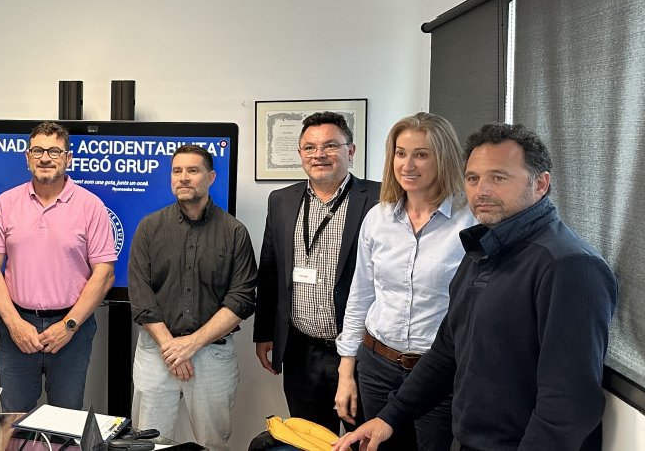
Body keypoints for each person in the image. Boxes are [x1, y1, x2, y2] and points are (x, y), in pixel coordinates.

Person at [334, 123, 618, 451]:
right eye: (473, 179)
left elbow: (568, 405)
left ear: (541, 184)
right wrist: (389, 417)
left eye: (498, 177)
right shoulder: (483, 248)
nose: (481, 191)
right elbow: (446, 352)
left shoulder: (568, 265)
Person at [333, 113, 474, 450]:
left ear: (444, 158)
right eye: (400, 153)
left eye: (421, 154)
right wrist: (346, 370)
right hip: (377, 364)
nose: (407, 165)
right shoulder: (378, 218)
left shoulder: (470, 222)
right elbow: (361, 295)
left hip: (439, 373)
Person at [254, 111, 380, 434]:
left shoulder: (379, 199)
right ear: (300, 154)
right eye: (309, 148)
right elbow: (270, 269)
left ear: (350, 151)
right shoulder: (281, 200)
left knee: (361, 438)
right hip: (301, 350)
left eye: (330, 146)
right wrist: (264, 333)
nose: (318, 155)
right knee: (310, 440)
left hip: (360, 353)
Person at [0, 121, 116, 412]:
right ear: (27, 157)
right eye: (37, 150)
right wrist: (14, 324)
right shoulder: (6, 203)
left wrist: (68, 326)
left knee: (65, 421)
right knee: (14, 419)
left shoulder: (91, 206)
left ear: (68, 158)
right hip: (17, 327)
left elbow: (104, 274)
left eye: (54, 151)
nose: (45, 158)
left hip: (72, 329)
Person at [129, 145, 257, 451]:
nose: (184, 178)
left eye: (193, 170)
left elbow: (241, 299)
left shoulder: (234, 232)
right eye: (177, 171)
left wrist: (192, 344)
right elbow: (141, 296)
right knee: (147, 442)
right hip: (156, 350)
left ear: (210, 177)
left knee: (213, 444)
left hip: (211, 354)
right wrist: (172, 348)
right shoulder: (149, 228)